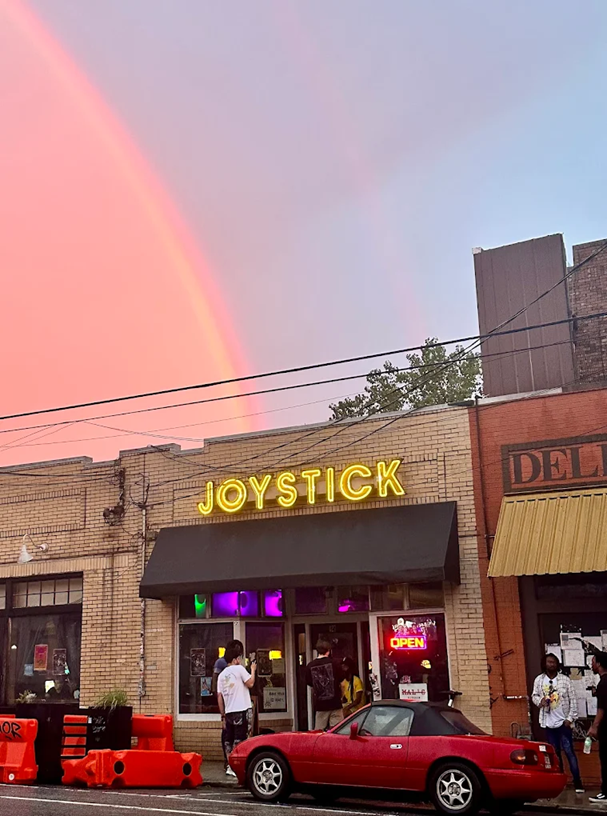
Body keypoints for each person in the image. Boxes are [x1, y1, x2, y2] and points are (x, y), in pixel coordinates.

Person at [532, 653, 583, 793]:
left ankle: (578, 782)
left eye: (554, 662)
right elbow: (534, 696)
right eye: (549, 662)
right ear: (545, 664)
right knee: (555, 753)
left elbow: (573, 700)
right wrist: (539, 701)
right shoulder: (539, 680)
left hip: (563, 722)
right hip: (548, 722)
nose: (551, 664)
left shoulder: (565, 680)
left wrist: (570, 719)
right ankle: (561, 781)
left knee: (569, 752)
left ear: (557, 664)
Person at [217, 640, 256, 777]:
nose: (239, 660)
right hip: (242, 709)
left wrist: (222, 715)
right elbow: (250, 683)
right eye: (238, 658)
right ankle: (237, 767)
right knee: (240, 740)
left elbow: (219, 697)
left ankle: (229, 765)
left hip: (229, 712)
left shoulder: (221, 676)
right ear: (235, 659)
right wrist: (253, 670)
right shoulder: (239, 669)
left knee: (229, 739)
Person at [306, 639, 343, 730]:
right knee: (338, 731)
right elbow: (342, 681)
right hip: (335, 704)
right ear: (329, 651)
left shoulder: (310, 666)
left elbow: (310, 683)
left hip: (320, 705)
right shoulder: (335, 664)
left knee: (319, 732)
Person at [588, 652, 607, 803]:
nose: (591, 664)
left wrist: (594, 726)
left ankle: (605, 793)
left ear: (599, 664)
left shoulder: (603, 683)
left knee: (605, 760)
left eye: (593, 661)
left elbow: (602, 708)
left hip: (606, 728)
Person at [212, 649, 229, 772]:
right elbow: (215, 680)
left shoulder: (235, 665)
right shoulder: (221, 662)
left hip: (232, 700)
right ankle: (227, 759)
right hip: (225, 699)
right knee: (226, 730)